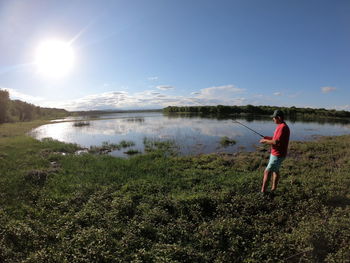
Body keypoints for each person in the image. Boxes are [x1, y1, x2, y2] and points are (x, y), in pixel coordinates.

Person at [259, 109, 290, 194]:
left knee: (267, 171)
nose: (273, 119)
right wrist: (267, 138)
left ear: (279, 117)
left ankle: (263, 192)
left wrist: (264, 141)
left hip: (278, 154)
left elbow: (276, 142)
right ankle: (273, 189)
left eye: (274, 118)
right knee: (275, 170)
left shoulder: (283, 127)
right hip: (276, 153)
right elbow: (275, 139)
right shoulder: (280, 126)